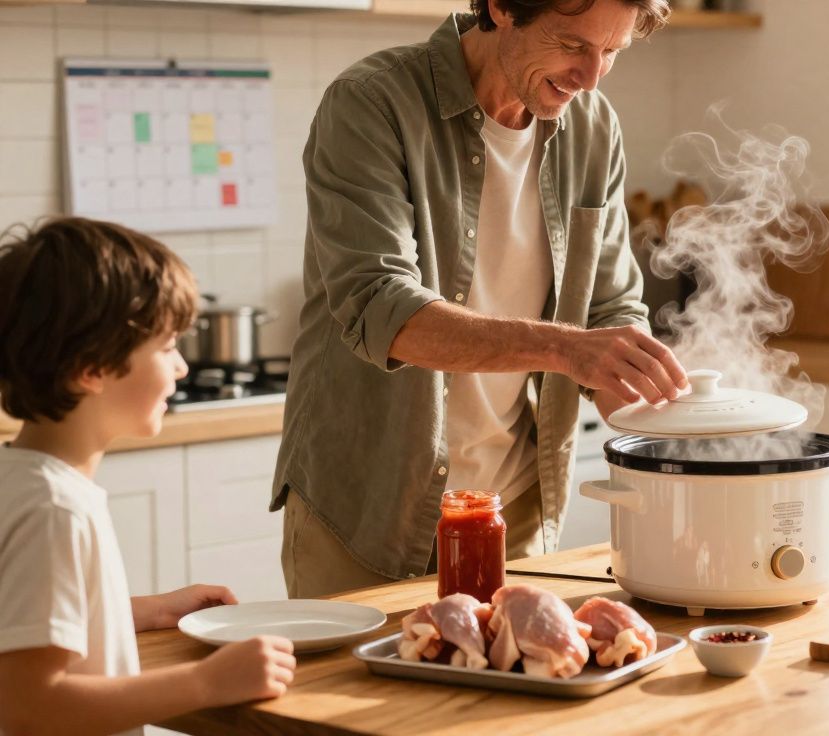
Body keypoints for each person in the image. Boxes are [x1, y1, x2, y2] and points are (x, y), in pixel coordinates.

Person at [273, 0, 687, 598]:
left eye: (612, 52)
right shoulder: (371, 102)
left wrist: (658, 397)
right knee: (351, 694)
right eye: (573, 45)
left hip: (511, 509)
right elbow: (380, 307)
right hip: (367, 510)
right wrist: (569, 350)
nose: (591, 76)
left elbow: (610, 308)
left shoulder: (593, 127)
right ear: (502, 7)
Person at [0, 218, 296, 736]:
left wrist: (142, 611)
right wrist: (206, 682)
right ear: (90, 368)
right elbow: (26, 703)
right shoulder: (56, 509)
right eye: (167, 347)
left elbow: (20, 629)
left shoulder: (21, 479)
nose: (182, 368)